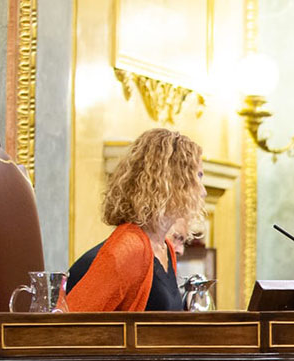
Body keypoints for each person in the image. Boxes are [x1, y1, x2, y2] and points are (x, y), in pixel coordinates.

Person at [66, 128, 206, 311]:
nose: (203, 191)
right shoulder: (130, 247)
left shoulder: (166, 248)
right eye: (198, 177)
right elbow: (72, 320)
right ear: (173, 182)